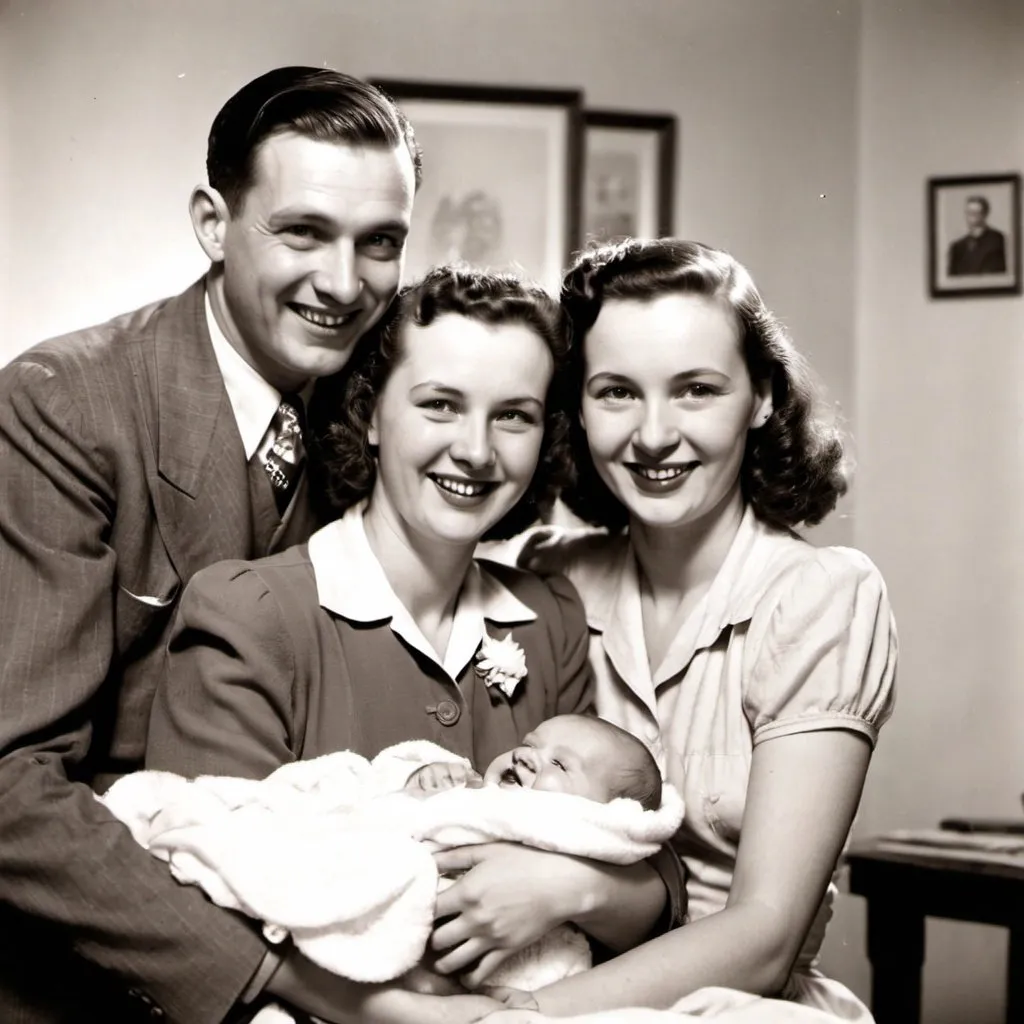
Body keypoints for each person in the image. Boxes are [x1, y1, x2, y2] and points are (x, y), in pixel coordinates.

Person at [145, 266, 683, 1023]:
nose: (476, 451)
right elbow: (198, 894)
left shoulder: (549, 614)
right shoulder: (252, 612)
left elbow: (640, 862)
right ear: (369, 413)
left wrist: (572, 890)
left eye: (514, 416)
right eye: (440, 405)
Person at [0, 66, 421, 1023]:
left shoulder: (392, 405)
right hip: (101, 978)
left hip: (339, 924)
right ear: (211, 221)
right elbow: (9, 785)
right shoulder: (65, 404)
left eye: (380, 243)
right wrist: (300, 990)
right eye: (303, 232)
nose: (344, 284)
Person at [456, 238, 898, 1021]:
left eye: (695, 390)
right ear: (578, 407)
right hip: (534, 970)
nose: (654, 435)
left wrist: (515, 1014)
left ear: (762, 396)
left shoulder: (821, 597)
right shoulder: (543, 573)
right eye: (618, 392)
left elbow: (765, 937)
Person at [101, 713, 682, 1023]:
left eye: (560, 763)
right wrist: (419, 784)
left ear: (603, 819)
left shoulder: (573, 838)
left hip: (490, 970)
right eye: (532, 741)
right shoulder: (472, 790)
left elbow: (649, 865)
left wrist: (567, 884)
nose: (530, 755)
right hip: (368, 936)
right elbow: (383, 811)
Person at [947, 195, 1007, 275]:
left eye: (976, 213)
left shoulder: (996, 239)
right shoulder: (957, 247)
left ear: (985, 214)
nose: (972, 217)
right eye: (969, 213)